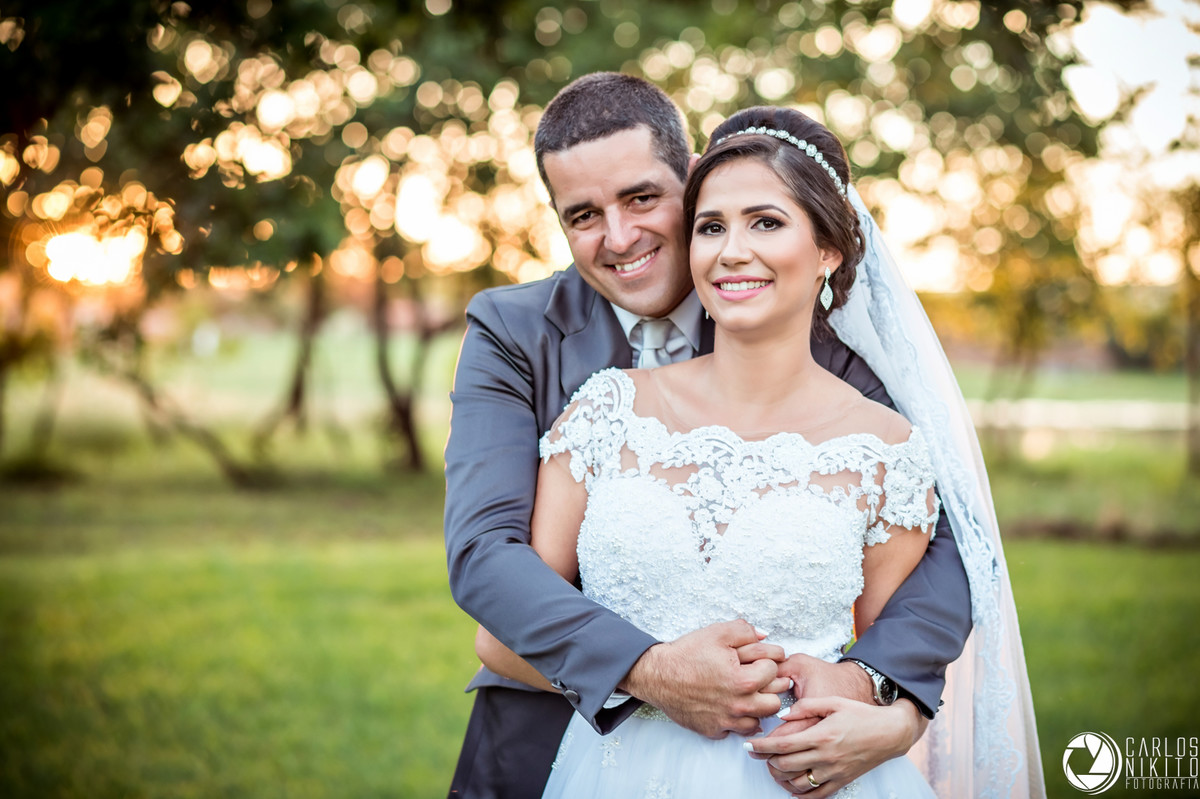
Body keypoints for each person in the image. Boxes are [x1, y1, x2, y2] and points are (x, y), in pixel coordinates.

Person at [475, 105, 1044, 798]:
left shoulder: (881, 436)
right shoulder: (599, 405)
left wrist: (890, 709)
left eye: (766, 223)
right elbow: (496, 603)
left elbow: (926, 591)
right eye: (712, 227)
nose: (733, 250)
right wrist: (650, 672)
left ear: (830, 250)